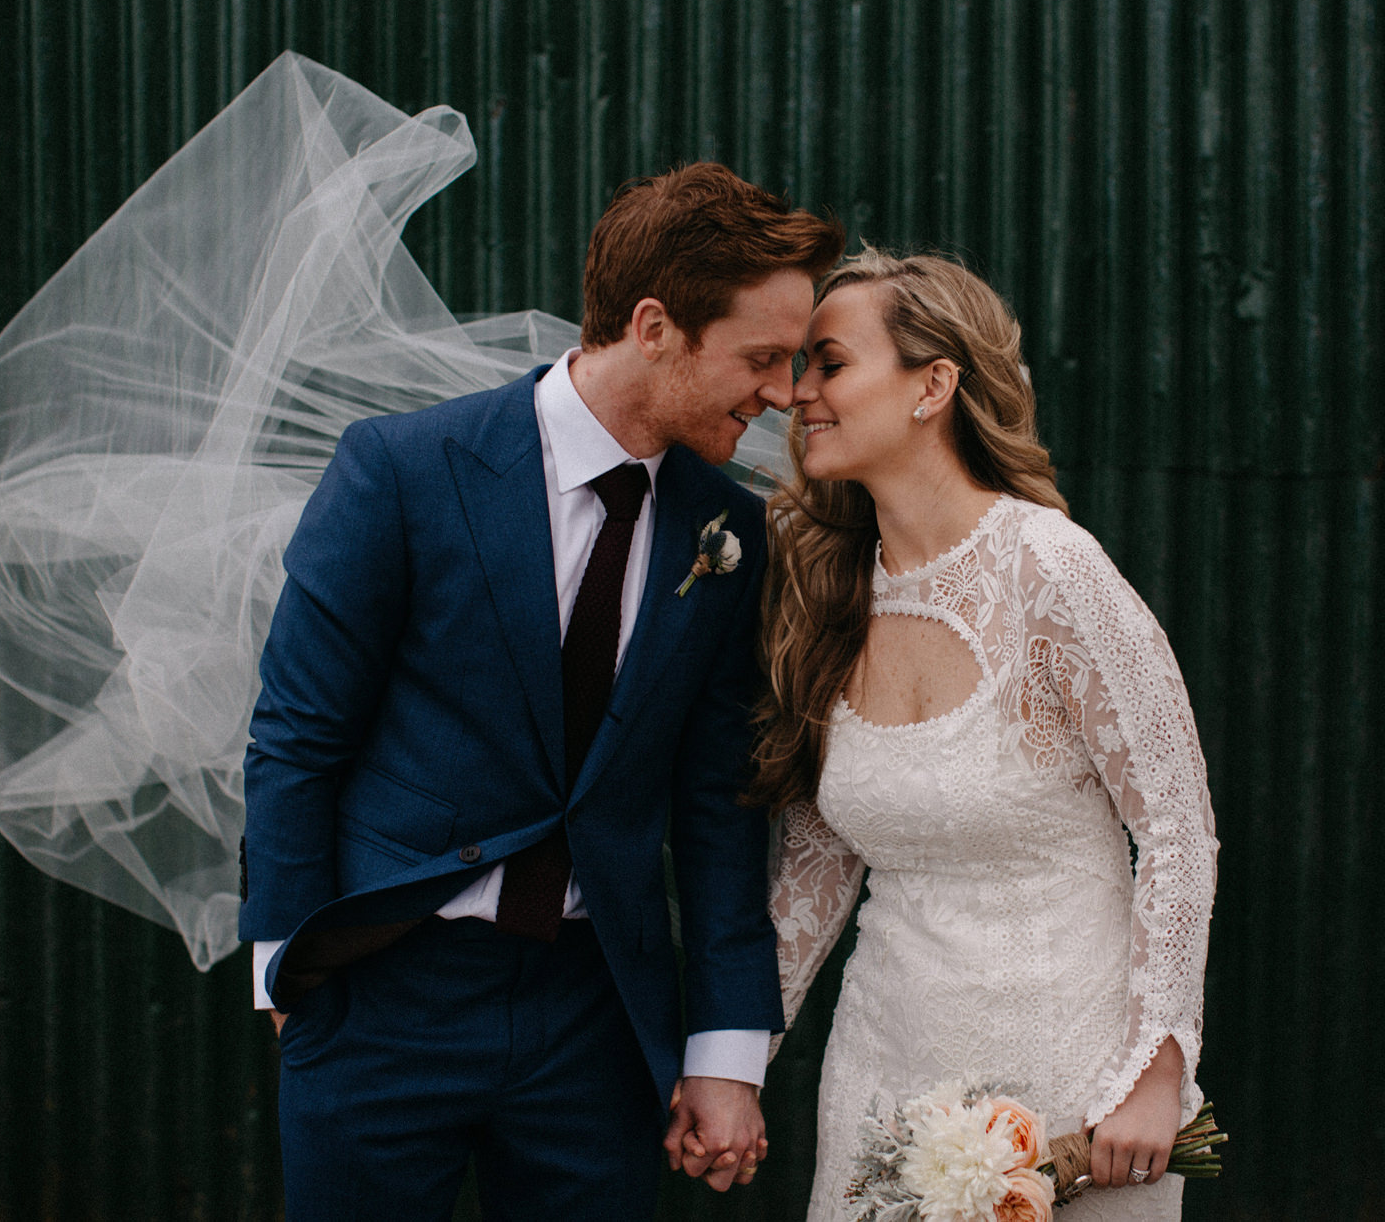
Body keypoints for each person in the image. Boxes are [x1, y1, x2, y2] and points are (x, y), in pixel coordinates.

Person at [237, 160, 843, 1219]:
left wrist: (725, 1049)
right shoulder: (402, 470)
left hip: (593, 1016)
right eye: (762, 358)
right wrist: (287, 970)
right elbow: (295, 739)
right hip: (383, 990)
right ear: (654, 326)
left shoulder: (728, 530)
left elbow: (715, 805)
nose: (784, 394)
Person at [759, 250, 1220, 1220]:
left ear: (932, 385)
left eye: (829, 363)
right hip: (884, 1082)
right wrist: (732, 1062)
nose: (798, 394)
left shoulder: (1051, 570)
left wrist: (1154, 1070)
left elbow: (1176, 827)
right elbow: (815, 864)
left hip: (1075, 1097)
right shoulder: (825, 591)